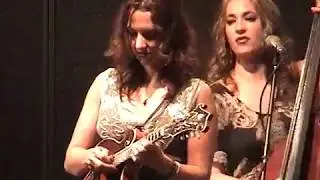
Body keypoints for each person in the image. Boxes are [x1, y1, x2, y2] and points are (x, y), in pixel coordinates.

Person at [64, 0, 217, 180]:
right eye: (131, 33)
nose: (138, 44)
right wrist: (90, 157)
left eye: (150, 35)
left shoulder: (196, 92)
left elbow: (202, 175)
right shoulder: (106, 82)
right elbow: (71, 160)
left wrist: (164, 165)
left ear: (171, 34)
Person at [207, 0, 320, 179]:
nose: (239, 28)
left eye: (249, 18)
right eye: (230, 21)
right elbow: (210, 173)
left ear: (267, 25)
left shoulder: (298, 78)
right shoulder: (215, 96)